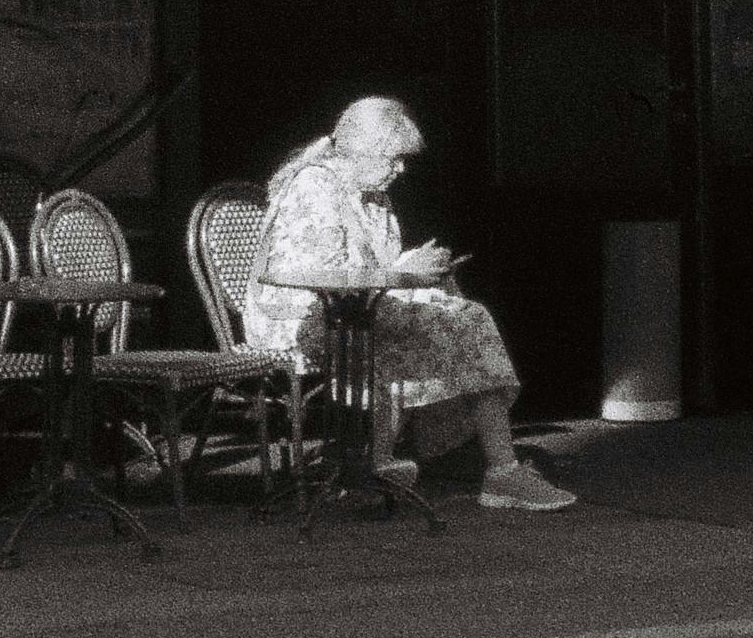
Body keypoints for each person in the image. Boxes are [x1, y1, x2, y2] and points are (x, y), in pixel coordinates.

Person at [246, 97, 574, 511]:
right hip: (297, 320)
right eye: (394, 158)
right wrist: (401, 272)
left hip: (351, 310)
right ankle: (478, 469)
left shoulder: (375, 196)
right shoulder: (316, 186)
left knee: (456, 313)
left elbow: (367, 274)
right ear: (365, 150)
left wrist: (414, 272)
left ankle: (394, 461)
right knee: (458, 323)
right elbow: (320, 278)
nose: (400, 169)